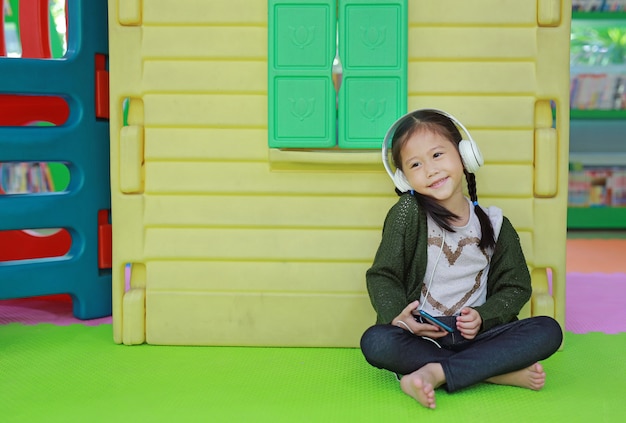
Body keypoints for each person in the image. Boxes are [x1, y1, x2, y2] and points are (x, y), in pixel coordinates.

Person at [360, 109, 563, 410]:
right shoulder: (407, 214)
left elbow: (515, 286)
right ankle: (493, 372)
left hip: (479, 334)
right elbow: (383, 275)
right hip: (424, 336)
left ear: (465, 155)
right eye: (416, 164)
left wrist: (484, 316)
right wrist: (399, 318)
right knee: (375, 342)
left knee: (549, 330)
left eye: (438, 155)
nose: (430, 170)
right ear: (404, 178)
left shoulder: (495, 224)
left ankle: (438, 371)